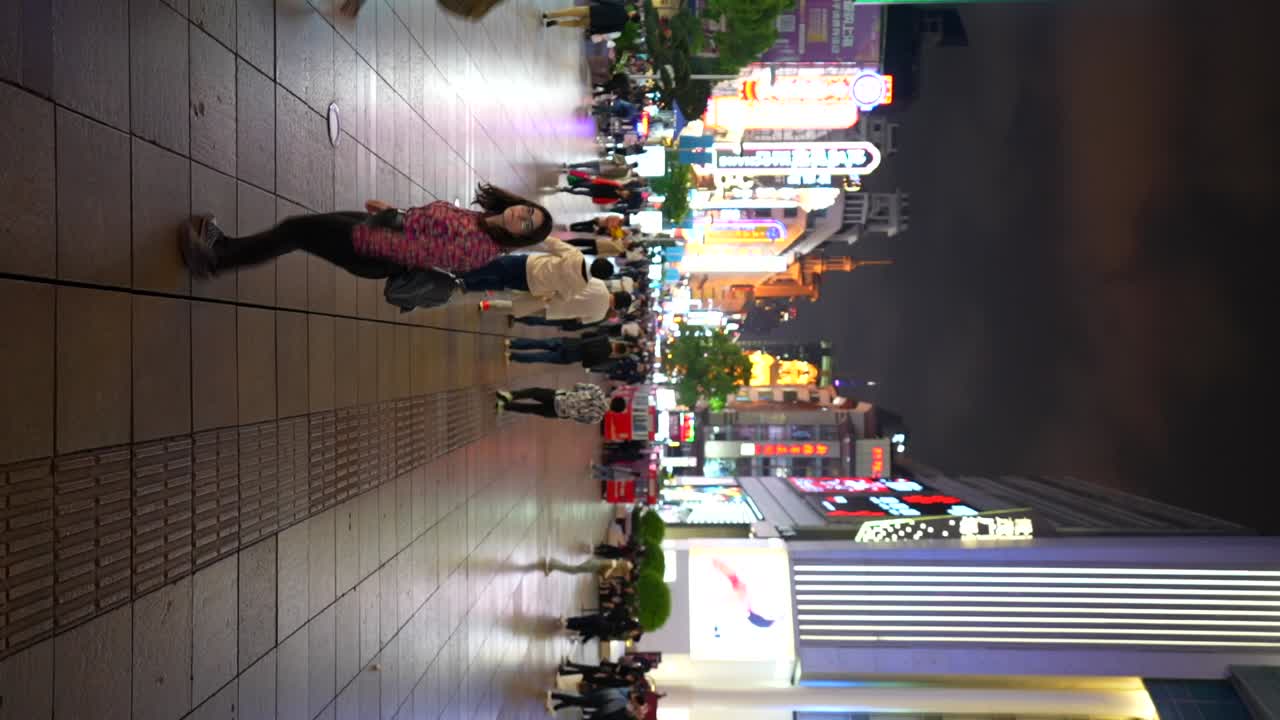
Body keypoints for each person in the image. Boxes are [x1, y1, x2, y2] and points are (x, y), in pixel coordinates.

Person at [180, 184, 551, 280]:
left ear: (521, 238)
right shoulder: (483, 220)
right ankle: (224, 248)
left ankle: (213, 261)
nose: (522, 217)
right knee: (297, 230)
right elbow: (426, 228)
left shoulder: (480, 248)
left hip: (372, 248)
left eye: (527, 225)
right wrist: (392, 212)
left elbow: (417, 254)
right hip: (380, 230)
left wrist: (364, 236)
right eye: (528, 212)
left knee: (295, 231)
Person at [458, 237, 613, 299]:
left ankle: (462, 272)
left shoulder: (576, 255)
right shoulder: (581, 286)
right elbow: (562, 298)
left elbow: (554, 243)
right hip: (532, 285)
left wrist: (539, 234)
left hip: (530, 266)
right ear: (599, 278)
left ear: (597, 260)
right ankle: (468, 285)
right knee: (501, 283)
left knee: (496, 266)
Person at [496, 385, 624, 424]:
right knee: (531, 409)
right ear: (612, 411)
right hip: (558, 412)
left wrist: (576, 396)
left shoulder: (597, 391)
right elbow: (578, 419)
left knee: (534, 392)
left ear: (613, 399)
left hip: (559, 398)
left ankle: (510, 395)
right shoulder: (597, 418)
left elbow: (577, 386)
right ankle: (504, 406)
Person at [504, 335, 627, 368]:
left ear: (616, 343)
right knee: (539, 357)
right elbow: (586, 364)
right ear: (616, 353)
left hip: (569, 343)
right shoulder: (604, 358)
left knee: (539, 343)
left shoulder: (604, 338)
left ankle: (512, 343)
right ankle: (512, 356)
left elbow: (586, 336)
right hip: (568, 356)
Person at [543, 0, 636, 34]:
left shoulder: (621, 7)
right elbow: (607, 30)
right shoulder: (621, 27)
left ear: (633, 14)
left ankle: (549, 15)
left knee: (569, 12)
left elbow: (607, 2)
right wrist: (594, 31)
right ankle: (558, 23)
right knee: (575, 24)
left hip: (593, 10)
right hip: (593, 22)